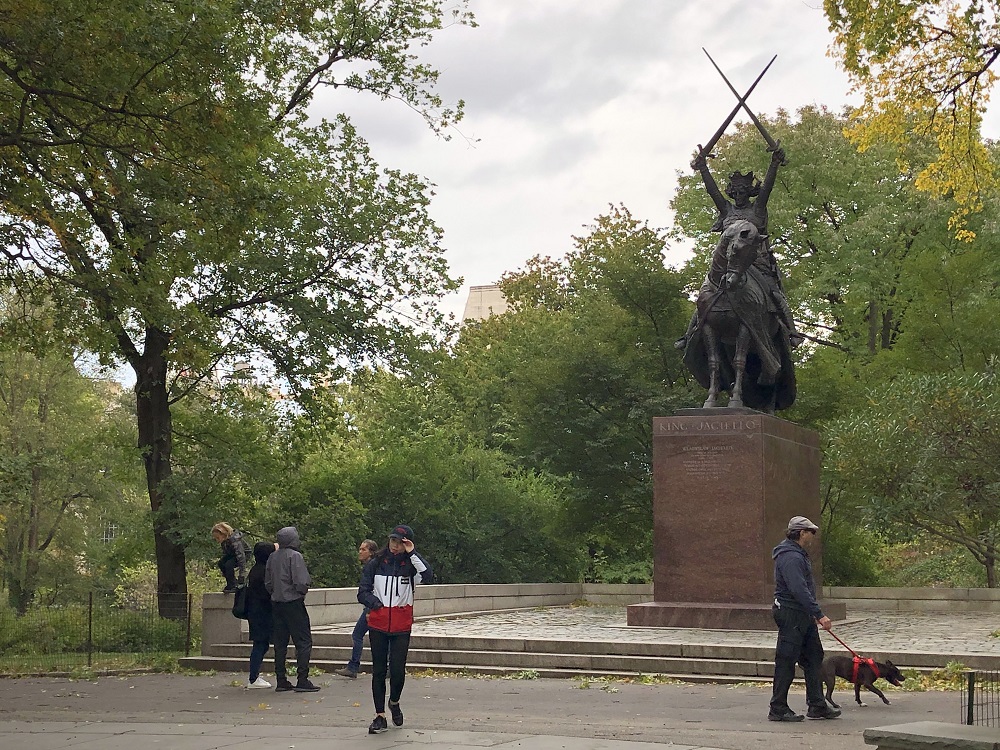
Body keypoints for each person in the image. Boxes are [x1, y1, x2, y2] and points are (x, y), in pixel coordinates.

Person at [675, 144, 803, 351]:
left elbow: (768, 188)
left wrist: (774, 163)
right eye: (736, 191)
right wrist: (703, 168)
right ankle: (691, 332)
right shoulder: (726, 210)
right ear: (732, 193)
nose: (739, 194)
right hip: (727, 263)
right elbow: (712, 191)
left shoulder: (758, 210)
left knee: (774, 293)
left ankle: (792, 331)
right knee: (706, 293)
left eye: (743, 191)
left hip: (756, 262)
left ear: (749, 192)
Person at [359, 524, 432, 734]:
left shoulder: (410, 565)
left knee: (398, 671)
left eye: (400, 543)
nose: (395, 546)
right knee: (379, 670)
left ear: (406, 544)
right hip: (378, 624)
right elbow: (362, 591)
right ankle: (379, 715)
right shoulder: (375, 563)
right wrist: (376, 605)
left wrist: (413, 552)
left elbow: (428, 576)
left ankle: (394, 701)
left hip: (401, 625)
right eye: (393, 541)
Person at [769, 515, 841, 721]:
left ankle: (817, 704)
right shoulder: (790, 556)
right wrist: (819, 614)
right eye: (811, 532)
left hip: (803, 615)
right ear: (802, 533)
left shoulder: (797, 554)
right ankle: (778, 707)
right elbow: (798, 589)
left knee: (813, 657)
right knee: (786, 660)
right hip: (791, 614)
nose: (813, 536)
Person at [265, 526, 320, 693]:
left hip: (276, 603)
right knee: (303, 641)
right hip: (293, 603)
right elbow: (301, 581)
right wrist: (300, 592)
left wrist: (276, 593)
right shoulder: (295, 556)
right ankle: (302, 679)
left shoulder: (272, 557)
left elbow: (268, 582)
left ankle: (281, 679)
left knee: (280, 643)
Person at [335, 538, 379, 679]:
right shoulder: (374, 565)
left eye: (363, 549)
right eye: (360, 549)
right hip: (372, 606)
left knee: (357, 635)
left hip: (371, 607)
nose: (360, 552)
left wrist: (370, 607)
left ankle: (353, 667)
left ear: (371, 552)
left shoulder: (371, 566)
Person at [245, 540, 275, 689]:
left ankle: (254, 675)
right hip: (261, 613)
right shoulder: (264, 572)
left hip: (255, 612)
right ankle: (253, 677)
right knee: (260, 644)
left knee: (261, 644)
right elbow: (266, 593)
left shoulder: (255, 569)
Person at [211, 522, 249, 593]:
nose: (217, 540)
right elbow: (226, 554)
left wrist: (242, 574)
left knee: (229, 565)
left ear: (223, 534)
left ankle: (233, 585)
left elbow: (241, 556)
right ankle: (231, 582)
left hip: (243, 554)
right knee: (221, 563)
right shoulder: (224, 542)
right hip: (232, 554)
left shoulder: (235, 540)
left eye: (218, 538)